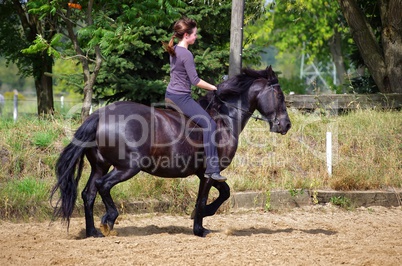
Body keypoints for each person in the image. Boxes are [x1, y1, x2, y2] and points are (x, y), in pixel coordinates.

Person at [163, 17, 226, 182]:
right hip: (181, 98)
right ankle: (212, 169)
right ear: (186, 35)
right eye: (194, 34)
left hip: (169, 95)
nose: (196, 37)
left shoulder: (174, 49)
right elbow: (195, 81)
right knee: (209, 124)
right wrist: (214, 87)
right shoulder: (186, 54)